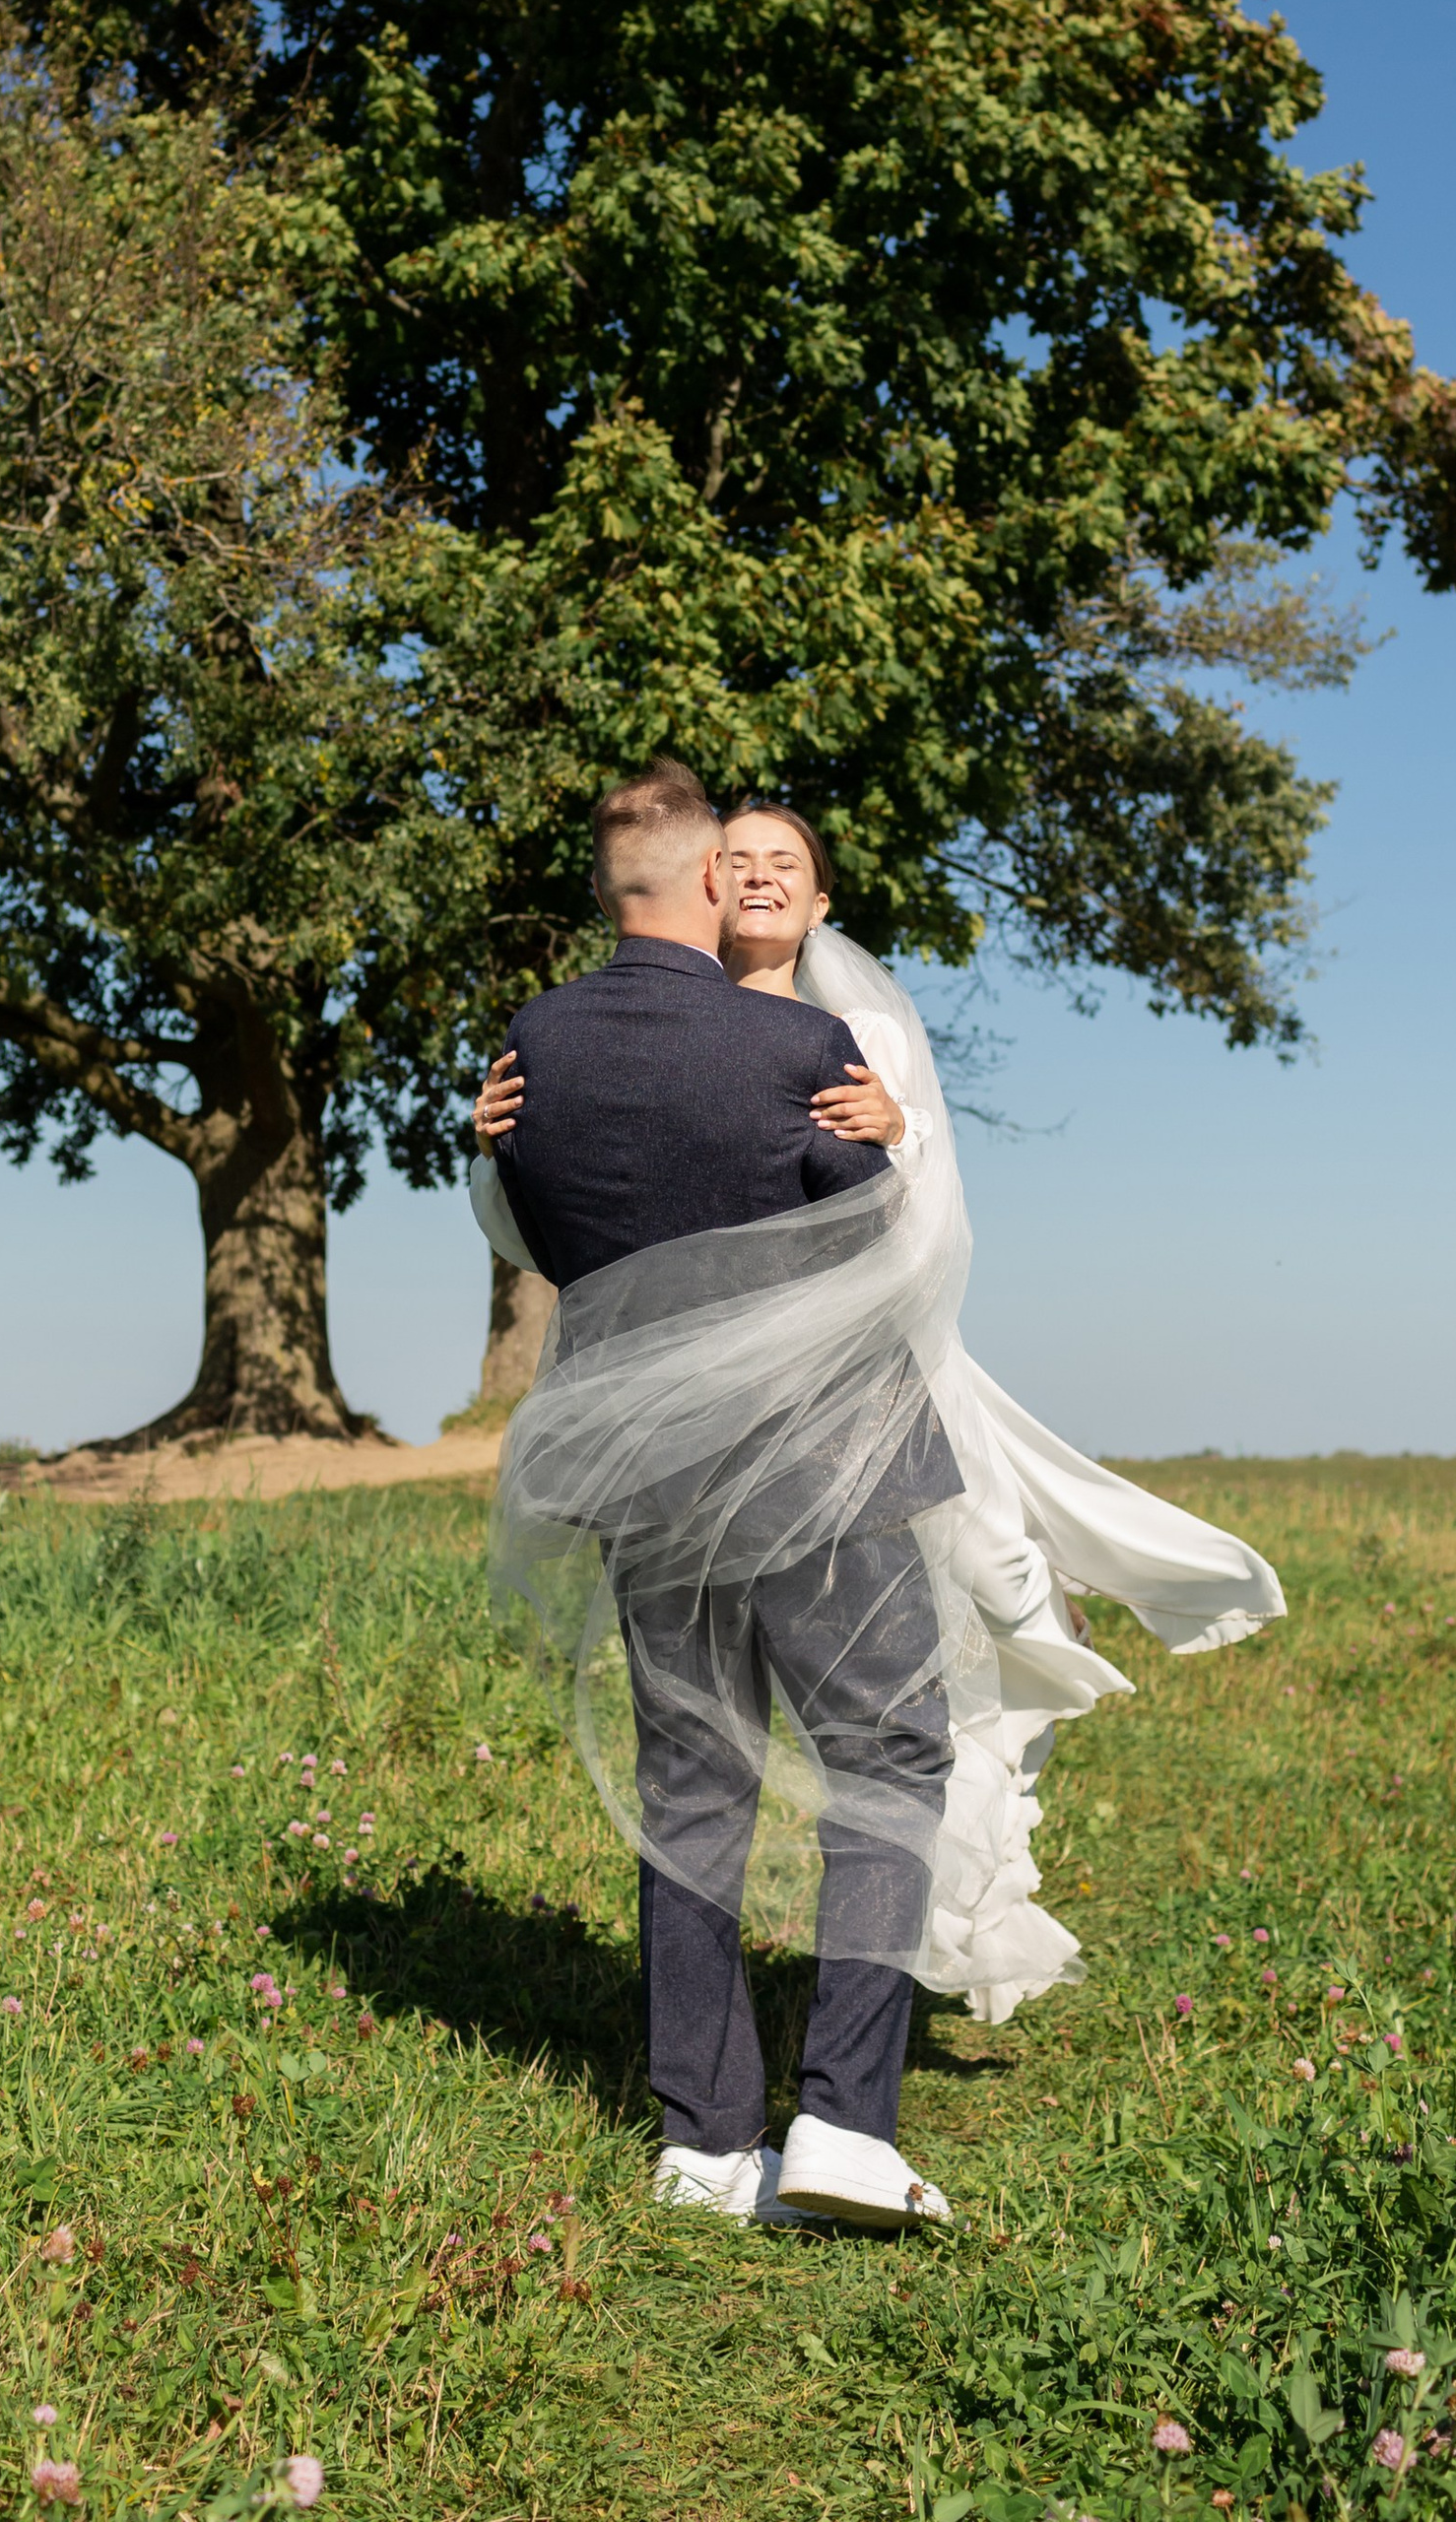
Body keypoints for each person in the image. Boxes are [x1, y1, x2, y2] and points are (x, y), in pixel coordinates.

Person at [477, 767, 1286, 2234]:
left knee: (692, 1785)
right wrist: (876, 1146)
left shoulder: (538, 1046)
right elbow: (878, 1247)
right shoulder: (804, 1050)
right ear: (706, 880)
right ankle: (845, 2122)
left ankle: (703, 2143)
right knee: (888, 1757)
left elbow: (541, 1234)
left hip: (645, 1473)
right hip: (819, 1467)